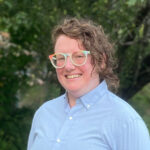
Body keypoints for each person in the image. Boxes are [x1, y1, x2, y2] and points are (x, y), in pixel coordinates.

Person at [27, 18, 150, 150]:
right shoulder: (44, 114)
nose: (68, 66)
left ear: (101, 61)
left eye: (79, 56)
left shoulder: (126, 122)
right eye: (61, 57)